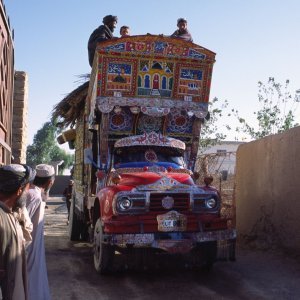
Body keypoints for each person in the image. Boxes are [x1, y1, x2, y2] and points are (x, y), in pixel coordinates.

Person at [0, 164, 35, 300]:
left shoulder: (12, 213)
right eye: (27, 188)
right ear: (19, 190)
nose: (29, 192)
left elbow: (25, 238)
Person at [25, 164, 55, 300]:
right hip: (28, 251)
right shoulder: (33, 196)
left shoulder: (35, 194)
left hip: (33, 249)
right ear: (50, 182)